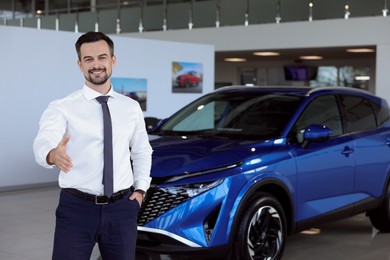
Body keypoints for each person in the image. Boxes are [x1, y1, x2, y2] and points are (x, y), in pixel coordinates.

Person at [33, 31, 153, 260]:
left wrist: (140, 190)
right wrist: (51, 154)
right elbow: (43, 141)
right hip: (77, 208)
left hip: (122, 208)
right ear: (80, 65)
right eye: (88, 59)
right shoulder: (62, 107)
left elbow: (142, 150)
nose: (96, 65)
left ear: (112, 61)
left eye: (102, 57)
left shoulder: (130, 107)